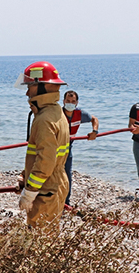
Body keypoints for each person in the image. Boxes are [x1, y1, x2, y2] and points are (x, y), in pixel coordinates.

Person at [15, 61, 71, 230]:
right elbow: (42, 154)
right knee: (49, 234)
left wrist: (30, 192)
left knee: (40, 239)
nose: (27, 92)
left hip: (45, 188)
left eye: (30, 86)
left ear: (42, 86)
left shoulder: (44, 119)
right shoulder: (55, 111)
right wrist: (25, 175)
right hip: (55, 184)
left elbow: (45, 161)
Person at [62, 90, 99, 205]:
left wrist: (94, 131)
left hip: (68, 147)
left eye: (73, 101)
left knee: (67, 175)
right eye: (68, 101)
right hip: (54, 147)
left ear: (77, 103)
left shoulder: (79, 114)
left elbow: (94, 119)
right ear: (63, 101)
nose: (70, 103)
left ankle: (66, 202)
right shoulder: (57, 113)